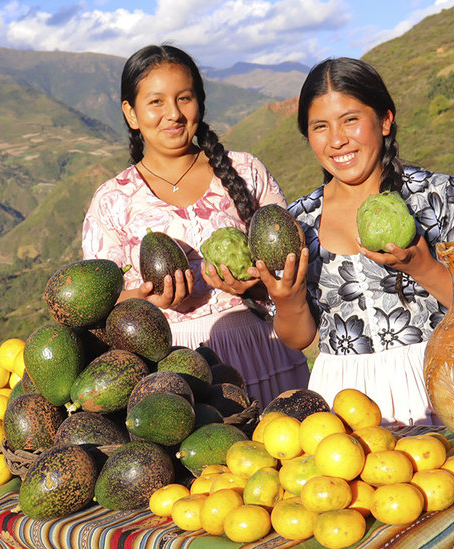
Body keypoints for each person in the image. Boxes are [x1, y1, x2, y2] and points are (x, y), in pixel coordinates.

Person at [253, 57, 454, 426]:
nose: (337, 139)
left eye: (350, 120)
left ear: (384, 120)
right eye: (320, 126)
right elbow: (299, 338)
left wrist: (423, 267)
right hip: (343, 404)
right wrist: (287, 301)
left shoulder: (441, 196)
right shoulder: (298, 223)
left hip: (444, 382)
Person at [81, 44, 309, 406]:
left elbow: (293, 266)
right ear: (131, 113)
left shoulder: (246, 171)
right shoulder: (111, 201)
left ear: (199, 103)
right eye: (156, 102)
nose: (173, 113)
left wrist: (255, 286)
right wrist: (141, 301)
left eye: (184, 98)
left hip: (262, 350)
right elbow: (97, 308)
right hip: (172, 375)